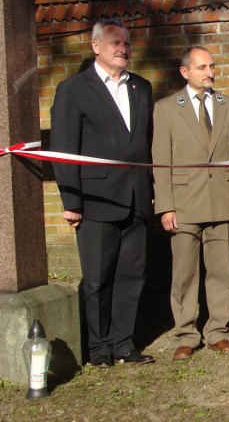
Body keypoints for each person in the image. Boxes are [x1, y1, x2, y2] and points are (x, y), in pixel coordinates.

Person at [50, 18, 155, 367]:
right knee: (97, 279)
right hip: (96, 201)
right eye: (115, 43)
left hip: (136, 198)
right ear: (96, 47)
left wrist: (151, 192)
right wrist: (71, 201)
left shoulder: (142, 87)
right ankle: (99, 348)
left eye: (127, 42)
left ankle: (124, 344)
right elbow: (65, 148)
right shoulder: (74, 89)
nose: (123, 48)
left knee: (132, 276)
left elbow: (144, 144)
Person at [152, 46, 229, 361]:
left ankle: (218, 333)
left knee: (221, 273)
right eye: (202, 67)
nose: (210, 73)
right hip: (184, 203)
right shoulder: (165, 108)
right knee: (184, 275)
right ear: (185, 71)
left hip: (221, 201)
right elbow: (160, 160)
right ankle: (186, 335)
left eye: (212, 66)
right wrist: (166, 206)